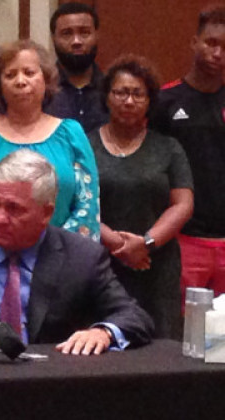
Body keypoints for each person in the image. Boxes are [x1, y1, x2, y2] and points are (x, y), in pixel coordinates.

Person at [0, 149, 154, 355]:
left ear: (46, 213)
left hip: (40, 387)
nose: (0, 218)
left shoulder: (83, 257)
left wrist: (103, 332)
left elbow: (134, 316)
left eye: (14, 209)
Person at [89, 56, 193, 339]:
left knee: (161, 350)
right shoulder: (85, 144)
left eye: (138, 93)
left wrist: (145, 243)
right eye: (121, 92)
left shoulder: (168, 148)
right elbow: (77, 202)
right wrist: (115, 243)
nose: (129, 100)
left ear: (150, 100)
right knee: (101, 345)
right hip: (99, 264)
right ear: (107, 97)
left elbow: (183, 204)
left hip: (157, 265)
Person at [0, 39, 100, 241]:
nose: (20, 81)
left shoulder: (71, 133)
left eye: (29, 72)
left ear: (46, 79)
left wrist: (50, 250)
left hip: (63, 258)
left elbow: (88, 206)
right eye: (10, 75)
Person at [150, 6, 225, 303]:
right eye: (211, 43)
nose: (217, 53)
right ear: (194, 42)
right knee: (183, 337)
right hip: (183, 240)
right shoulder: (164, 102)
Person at [45, 2, 108, 133]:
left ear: (97, 36)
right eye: (67, 34)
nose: (76, 41)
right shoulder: (41, 90)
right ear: (53, 39)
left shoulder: (112, 90)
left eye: (84, 33)